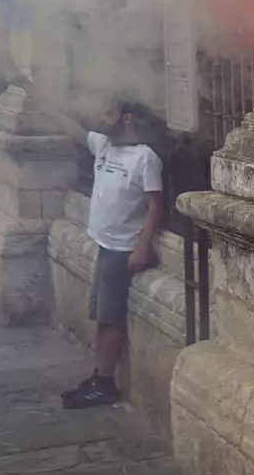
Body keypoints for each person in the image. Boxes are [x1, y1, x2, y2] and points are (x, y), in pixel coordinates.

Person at [19, 80, 164, 409]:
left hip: (122, 249)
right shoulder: (104, 145)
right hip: (103, 244)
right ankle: (98, 374)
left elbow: (156, 206)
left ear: (126, 118)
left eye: (109, 113)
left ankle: (104, 383)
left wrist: (141, 248)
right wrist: (33, 88)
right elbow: (66, 125)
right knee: (101, 317)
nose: (102, 118)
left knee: (110, 319)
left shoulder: (145, 158)